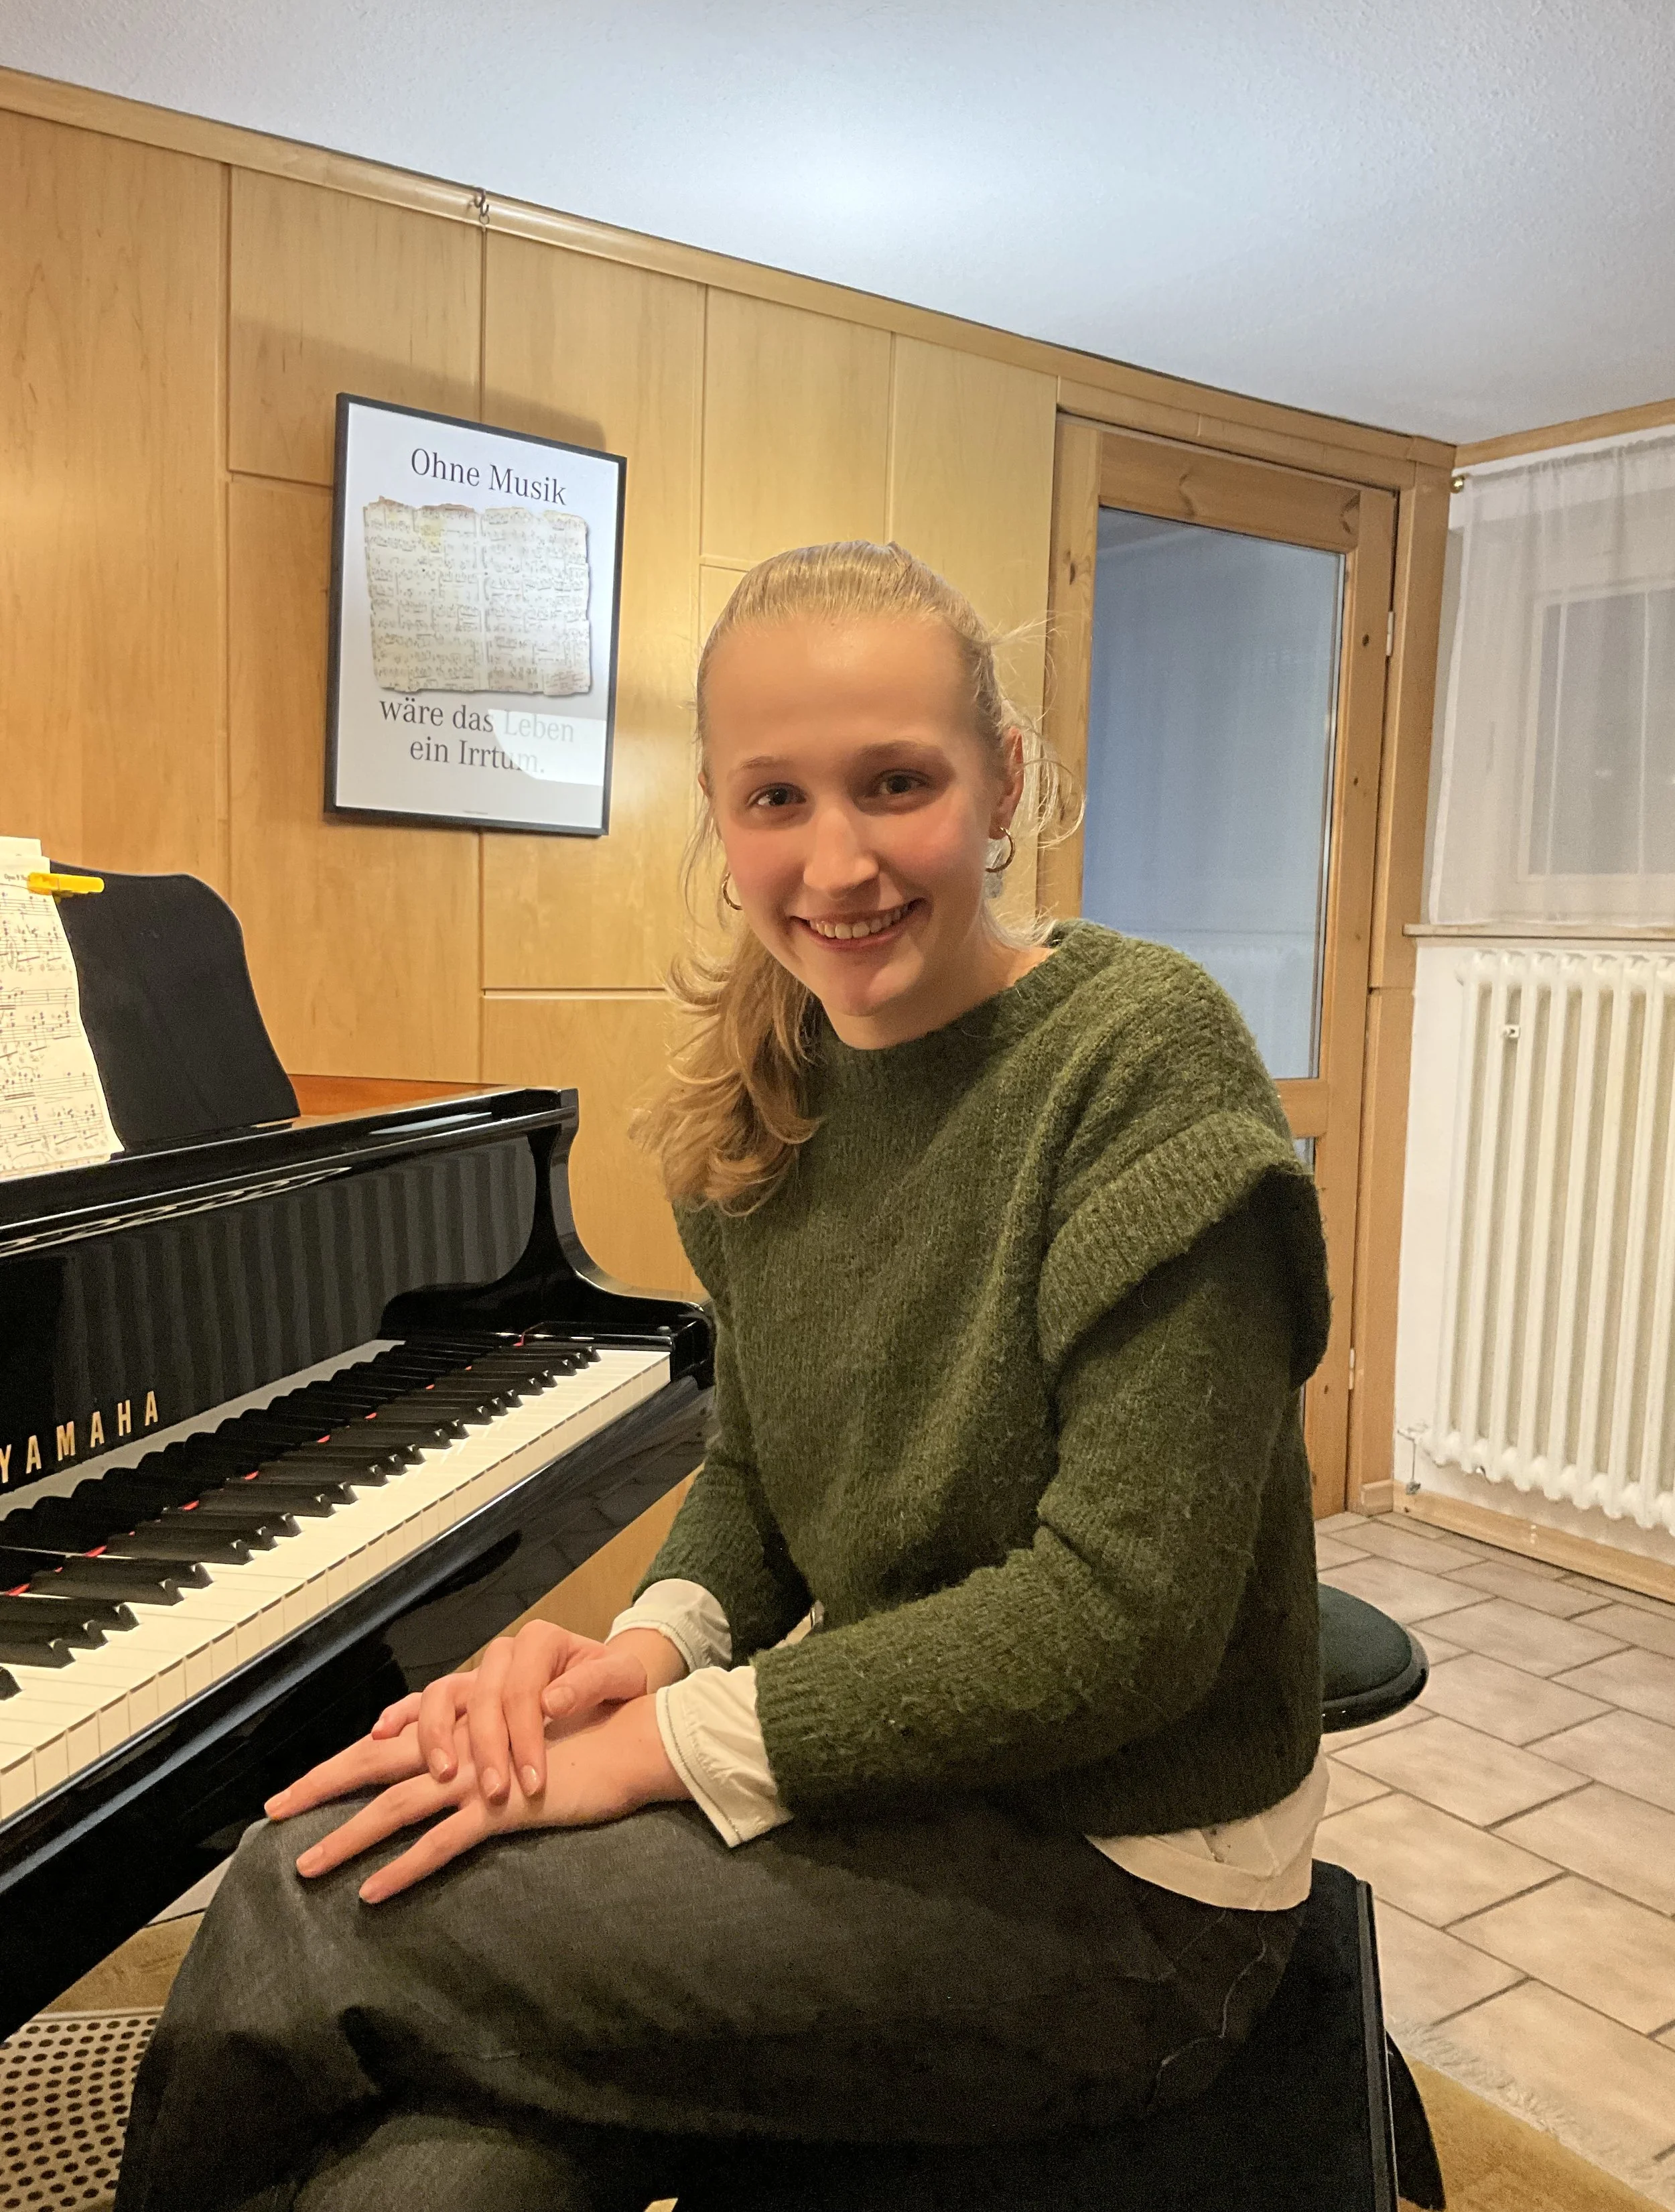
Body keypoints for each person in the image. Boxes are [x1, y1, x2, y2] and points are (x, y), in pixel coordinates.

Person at [115, 541, 1331, 2212]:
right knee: (438, 2183)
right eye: (774, 798)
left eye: (894, 782)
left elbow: (1121, 1624)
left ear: (1006, 786)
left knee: (298, 1893)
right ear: (720, 818)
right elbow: (765, 1478)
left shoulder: (1139, 1061)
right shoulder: (769, 1098)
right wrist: (637, 1651)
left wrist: (669, 1743)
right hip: (913, 1786)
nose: (836, 859)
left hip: (1127, 1885)